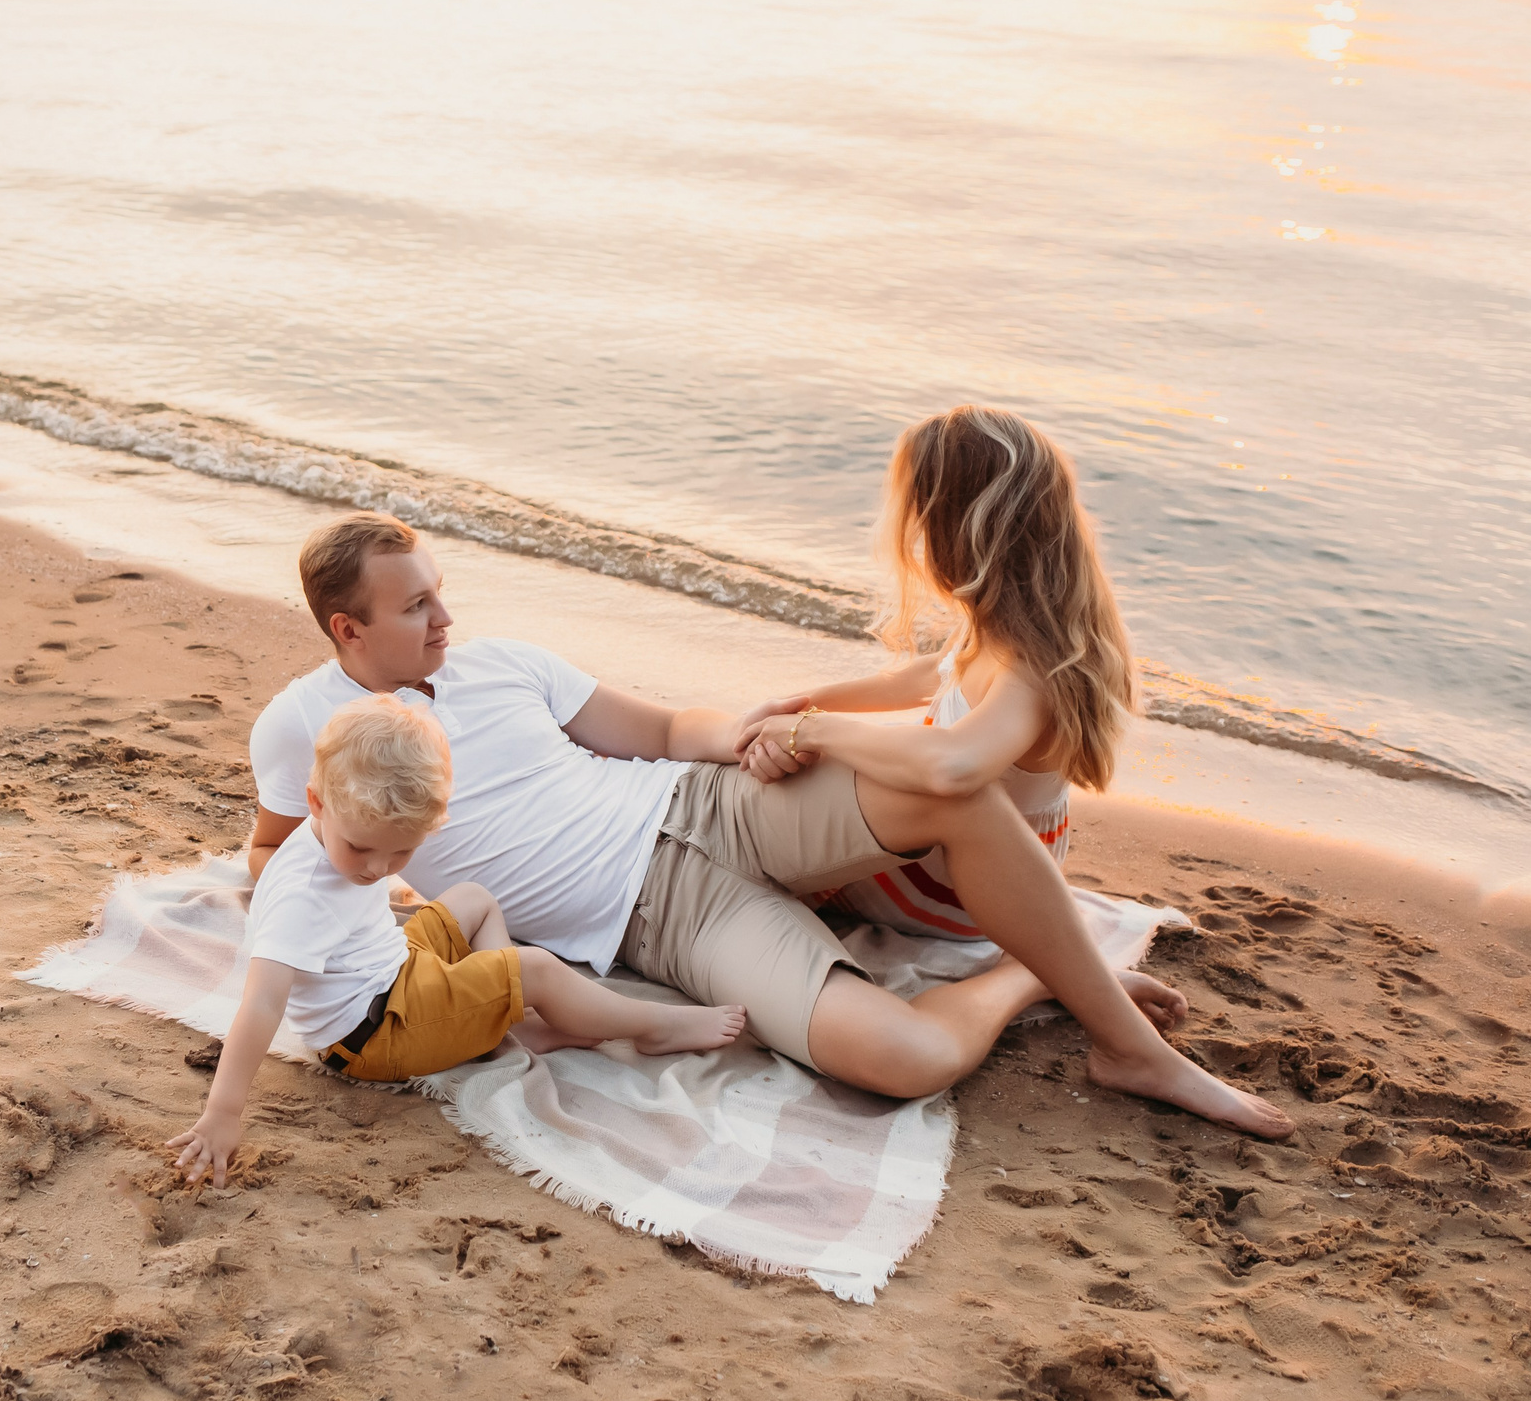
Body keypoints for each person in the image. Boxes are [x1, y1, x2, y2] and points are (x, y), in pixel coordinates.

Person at [248, 478, 1294, 1139]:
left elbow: (659, 732)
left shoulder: (502, 664)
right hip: (661, 921)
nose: (444, 615)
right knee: (906, 1064)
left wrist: (758, 728)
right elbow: (274, 863)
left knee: (957, 784)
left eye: (439, 589)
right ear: (348, 629)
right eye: (416, 605)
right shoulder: (302, 726)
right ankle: (1034, 971)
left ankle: (1129, 1048)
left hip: (712, 803)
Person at [172, 695, 745, 1186]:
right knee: (534, 967)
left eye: (401, 852)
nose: (378, 868)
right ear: (316, 802)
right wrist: (224, 1109)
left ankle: (502, 1020)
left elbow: (365, 898)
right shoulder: (301, 896)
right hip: (376, 1034)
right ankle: (651, 1027)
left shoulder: (344, 834)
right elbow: (262, 1001)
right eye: (363, 849)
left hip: (395, 974)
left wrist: (384, 898)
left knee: (473, 898)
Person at [778, 406, 1117, 943]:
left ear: (954, 532)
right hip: (959, 876)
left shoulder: (1031, 668)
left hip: (952, 895)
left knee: (772, 820)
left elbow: (955, 767)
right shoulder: (1009, 629)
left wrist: (815, 730)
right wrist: (806, 702)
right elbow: (928, 678)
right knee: (835, 764)